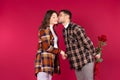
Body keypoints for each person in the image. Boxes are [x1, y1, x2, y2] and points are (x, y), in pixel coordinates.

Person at [58, 10, 101, 80]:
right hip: (76, 62)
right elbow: (70, 46)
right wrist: (66, 54)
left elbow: (87, 41)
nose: (58, 17)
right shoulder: (64, 31)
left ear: (67, 16)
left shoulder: (76, 28)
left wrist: (95, 53)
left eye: (60, 15)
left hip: (86, 60)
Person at [35, 10, 66, 80]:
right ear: (48, 18)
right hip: (43, 61)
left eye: (56, 17)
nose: (56, 18)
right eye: (53, 17)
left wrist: (62, 53)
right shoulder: (44, 30)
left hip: (51, 61)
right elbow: (47, 47)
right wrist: (60, 51)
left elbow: (54, 46)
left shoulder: (52, 30)